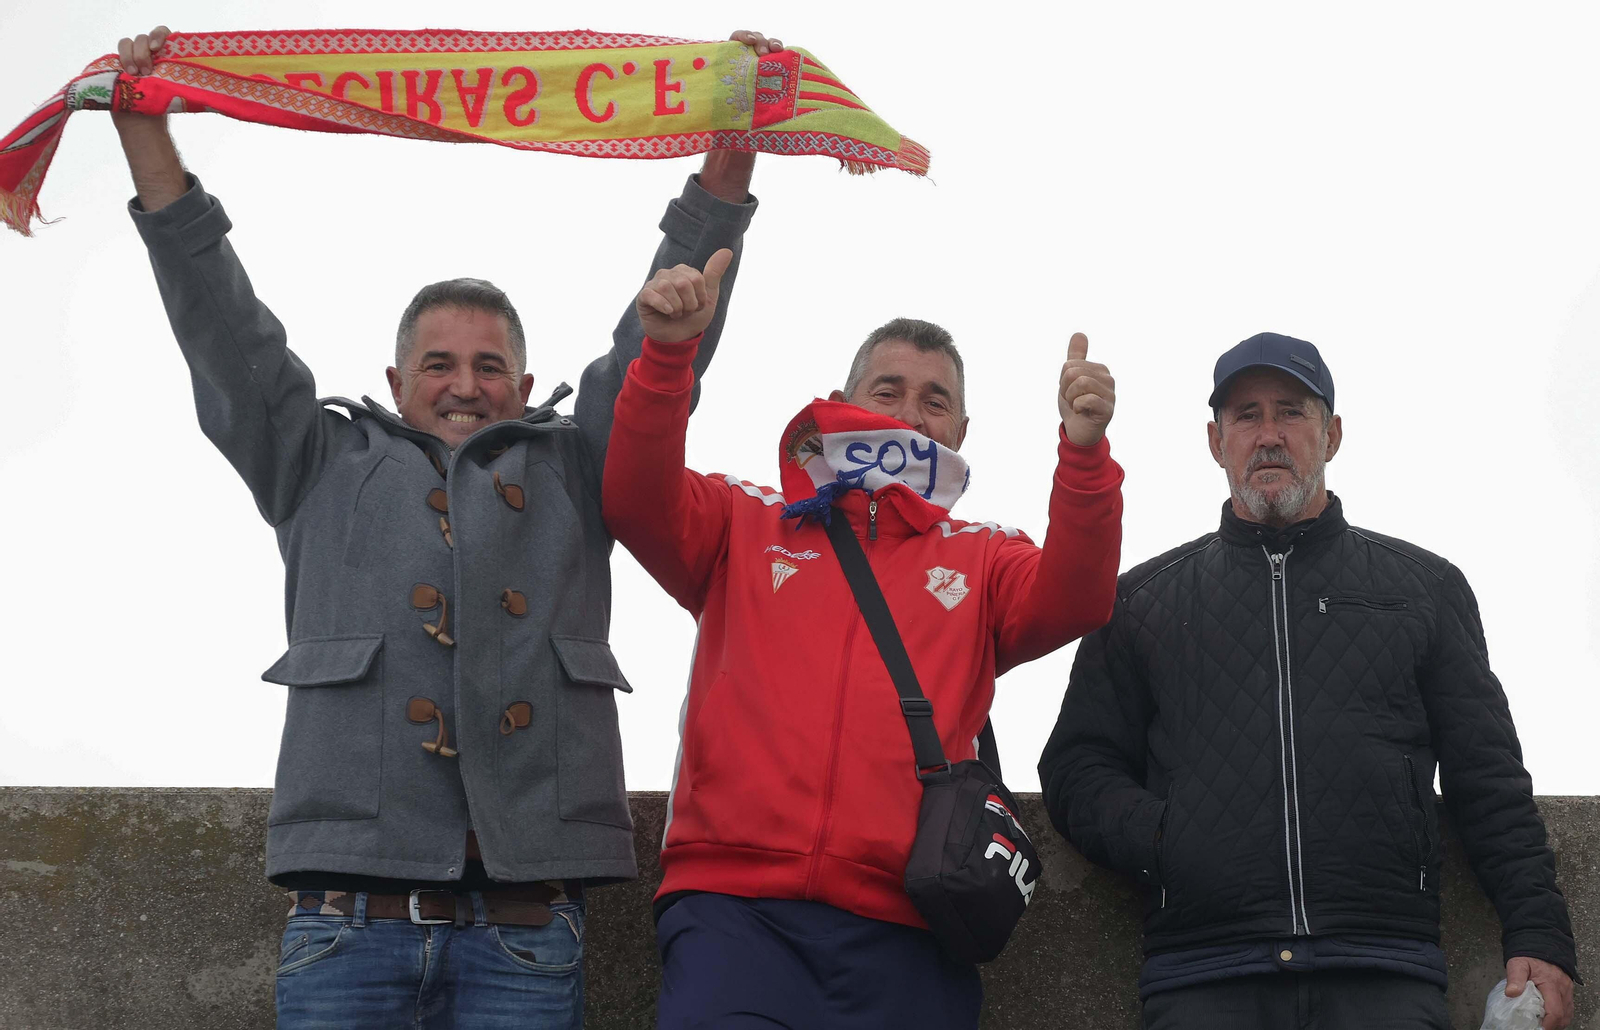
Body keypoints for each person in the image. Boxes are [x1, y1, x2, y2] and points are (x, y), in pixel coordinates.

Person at [110, 24, 778, 1030]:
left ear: (520, 376)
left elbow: (660, 338)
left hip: (524, 933)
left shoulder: (577, 461)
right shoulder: (313, 459)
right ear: (394, 381)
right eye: (439, 364)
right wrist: (147, 146)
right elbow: (224, 325)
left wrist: (729, 155)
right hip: (344, 929)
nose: (465, 385)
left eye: (488, 364)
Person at [601, 249, 1126, 1027]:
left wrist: (1083, 454)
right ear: (842, 399)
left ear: (963, 429)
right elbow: (635, 499)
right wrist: (668, 354)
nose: (910, 415)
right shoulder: (745, 519)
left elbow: (1077, 597)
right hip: (732, 913)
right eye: (889, 390)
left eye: (935, 400)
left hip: (913, 926)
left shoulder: (984, 554)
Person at [1038, 333, 1579, 1029]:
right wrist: (1169, 838)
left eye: (1290, 412)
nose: (1268, 435)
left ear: (1333, 434)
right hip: (1201, 976)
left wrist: (1538, 932)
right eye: (1245, 416)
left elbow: (1488, 777)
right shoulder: (1142, 602)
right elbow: (1077, 767)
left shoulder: (1425, 589)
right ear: (1215, 441)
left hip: (1385, 972)